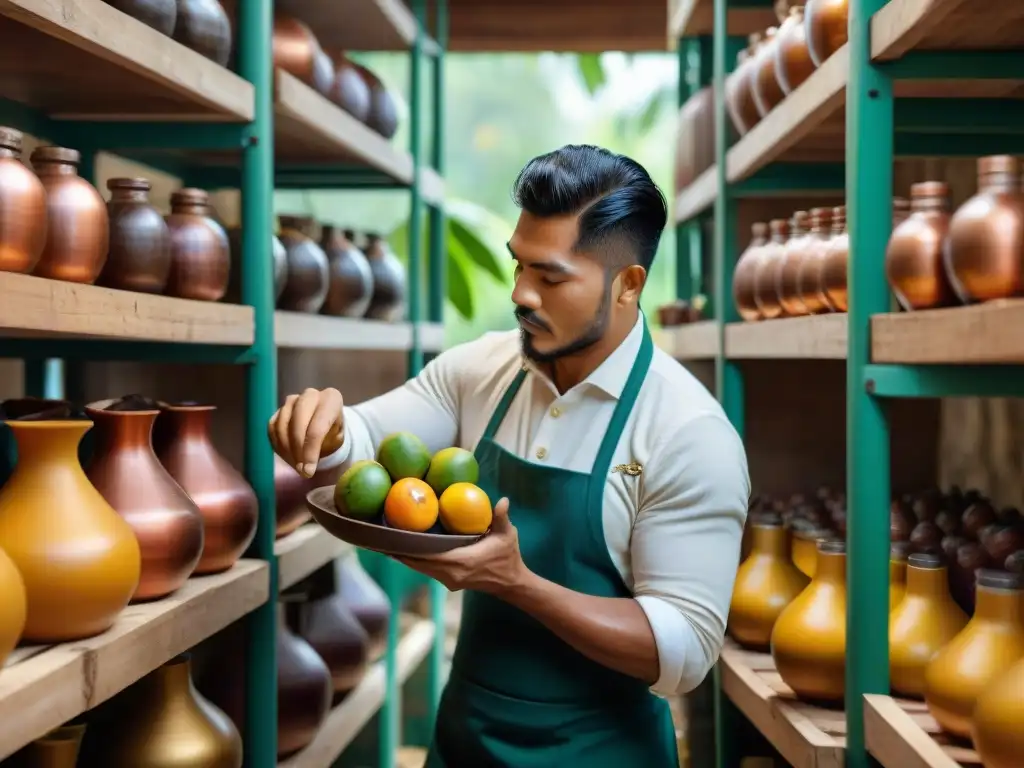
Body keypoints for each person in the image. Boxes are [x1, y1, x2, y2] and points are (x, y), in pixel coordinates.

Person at [269, 144, 750, 767]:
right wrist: (326, 431)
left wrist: (519, 585)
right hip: (467, 738)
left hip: (601, 753)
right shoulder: (482, 369)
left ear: (628, 285)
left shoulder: (688, 432)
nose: (521, 294)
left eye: (549, 277)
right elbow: (363, 446)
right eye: (518, 265)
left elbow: (682, 649)